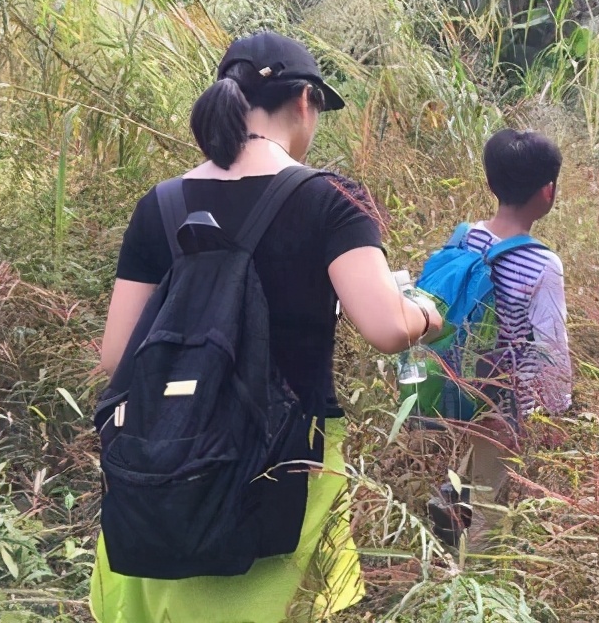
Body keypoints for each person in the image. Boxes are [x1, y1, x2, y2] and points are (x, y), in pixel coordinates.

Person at [90, 31, 443, 623]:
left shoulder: (161, 204)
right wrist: (427, 316)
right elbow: (387, 327)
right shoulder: (330, 198)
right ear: (305, 101)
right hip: (284, 468)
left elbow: (116, 356)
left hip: (163, 469)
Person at [427, 128, 572, 546]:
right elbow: (552, 345)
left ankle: (449, 500)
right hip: (504, 401)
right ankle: (472, 570)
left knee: (482, 462)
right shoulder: (541, 264)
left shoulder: (466, 235)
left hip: (459, 380)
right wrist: (556, 408)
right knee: (490, 506)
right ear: (548, 191)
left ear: (491, 183)